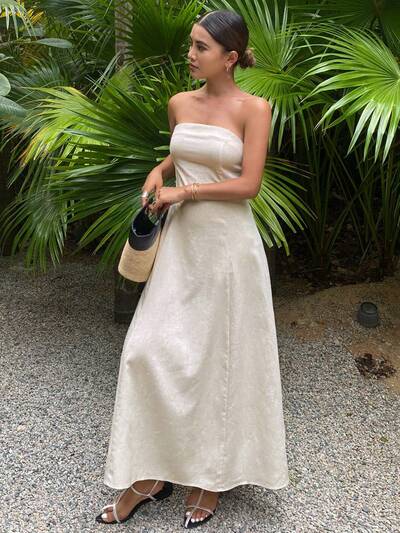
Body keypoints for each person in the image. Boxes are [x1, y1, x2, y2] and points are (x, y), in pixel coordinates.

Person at [96, 8, 289, 530]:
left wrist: (184, 192)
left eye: (201, 47)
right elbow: (180, 154)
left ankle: (210, 477)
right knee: (146, 350)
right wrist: (159, 171)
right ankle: (150, 474)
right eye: (191, 43)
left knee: (218, 360)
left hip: (228, 250)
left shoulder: (255, 108)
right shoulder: (179, 102)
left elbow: (249, 184)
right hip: (180, 246)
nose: (190, 53)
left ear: (230, 57)